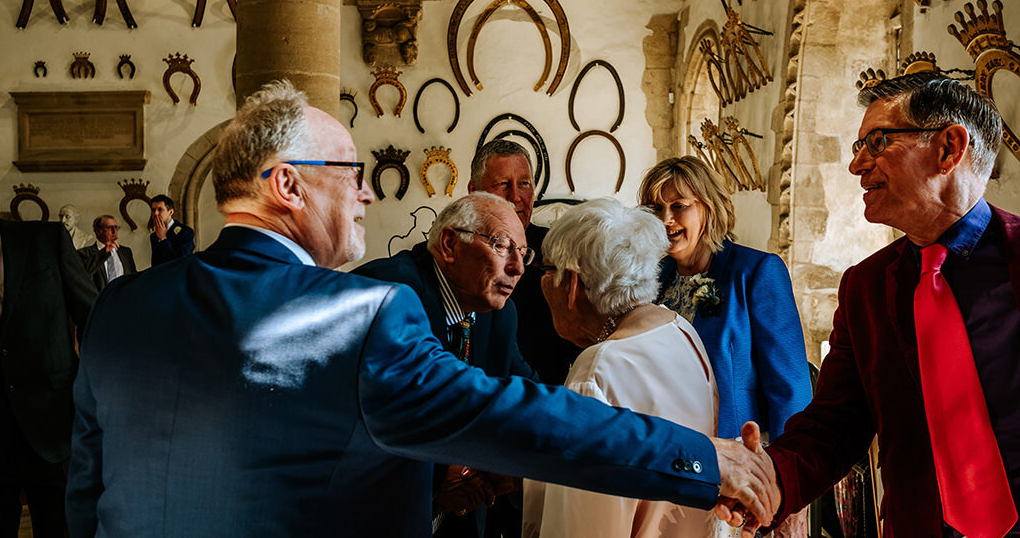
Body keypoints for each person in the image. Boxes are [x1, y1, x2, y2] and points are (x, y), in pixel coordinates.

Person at [66, 81, 778, 537]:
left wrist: (427, 486)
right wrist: (699, 457)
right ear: (286, 184)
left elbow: (87, 491)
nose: (368, 194)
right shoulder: (360, 313)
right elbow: (520, 416)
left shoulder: (123, 307)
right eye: (352, 173)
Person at [763, 73, 1020, 538]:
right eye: (857, 146)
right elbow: (835, 421)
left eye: (877, 142)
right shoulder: (864, 286)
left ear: (948, 149)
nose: (857, 165)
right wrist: (769, 478)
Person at [523, 198, 718, 538]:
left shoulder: (598, 370)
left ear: (570, 284)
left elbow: (580, 525)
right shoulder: (680, 330)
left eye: (544, 270)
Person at [357, 192, 537, 538]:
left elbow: (521, 391)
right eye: (502, 246)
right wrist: (439, 476)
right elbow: (363, 417)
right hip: (375, 511)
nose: (517, 267)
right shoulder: (387, 293)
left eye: (523, 253)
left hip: (458, 516)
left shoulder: (499, 314)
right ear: (450, 244)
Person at [638, 156, 811, 442]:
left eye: (679, 206)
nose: (665, 220)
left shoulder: (756, 272)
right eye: (655, 209)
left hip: (735, 448)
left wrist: (784, 470)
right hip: (665, 446)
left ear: (710, 208)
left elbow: (790, 389)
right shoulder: (652, 279)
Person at [0, 217, 96, 538]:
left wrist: (93, 399)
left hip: (52, 423)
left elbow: (91, 316)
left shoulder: (46, 238)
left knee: (60, 529)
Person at [468, 140, 580, 385]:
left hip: (544, 400)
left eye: (524, 184)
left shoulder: (557, 249)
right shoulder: (458, 252)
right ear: (474, 191)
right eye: (503, 184)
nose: (516, 196)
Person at [78, 215, 137, 291]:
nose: (114, 231)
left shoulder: (126, 252)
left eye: (116, 227)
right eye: (109, 227)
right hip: (99, 300)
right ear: (97, 231)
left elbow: (133, 277)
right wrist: (104, 252)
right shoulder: (84, 253)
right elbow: (82, 276)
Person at [148, 194, 195, 266]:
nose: (155, 213)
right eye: (153, 210)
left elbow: (181, 261)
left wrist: (163, 239)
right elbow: (155, 265)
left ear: (171, 212)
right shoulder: (154, 236)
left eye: (160, 209)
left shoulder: (186, 232)